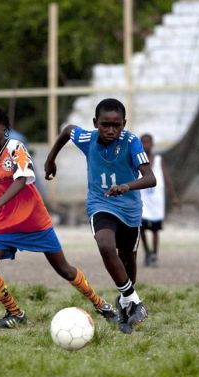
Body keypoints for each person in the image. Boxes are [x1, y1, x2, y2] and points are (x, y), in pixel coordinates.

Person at [0, 106, 116, 329]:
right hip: (3, 223)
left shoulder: (16, 148)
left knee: (63, 269)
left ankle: (101, 305)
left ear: (3, 126)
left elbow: (21, 180)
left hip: (33, 220)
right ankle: (15, 313)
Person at [45, 98, 157, 334]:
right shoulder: (88, 139)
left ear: (124, 124)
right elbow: (67, 131)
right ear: (95, 122)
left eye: (116, 125)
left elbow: (150, 178)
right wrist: (50, 159)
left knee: (128, 263)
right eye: (105, 124)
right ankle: (135, 302)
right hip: (100, 203)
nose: (110, 130)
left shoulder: (131, 142)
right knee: (106, 245)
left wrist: (126, 186)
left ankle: (127, 305)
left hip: (129, 210)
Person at [138, 133, 180, 267]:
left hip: (156, 200)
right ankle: (147, 252)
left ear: (152, 144)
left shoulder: (159, 160)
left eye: (148, 142)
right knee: (141, 228)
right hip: (142, 199)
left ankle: (155, 253)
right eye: (143, 143)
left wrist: (174, 196)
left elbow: (167, 178)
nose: (146, 145)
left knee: (155, 230)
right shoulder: (137, 160)